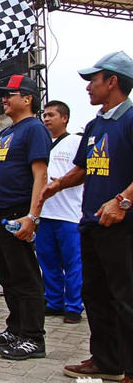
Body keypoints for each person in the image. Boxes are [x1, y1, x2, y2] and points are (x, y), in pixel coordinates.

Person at [41, 51, 133, 382]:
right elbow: (82, 169)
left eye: (93, 80)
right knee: (95, 295)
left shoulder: (131, 118)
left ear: (113, 81)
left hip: (122, 226)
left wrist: (122, 201)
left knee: (126, 297)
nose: (88, 87)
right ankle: (106, 360)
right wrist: (56, 185)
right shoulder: (95, 125)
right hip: (92, 223)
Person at [0, 74, 50, 360]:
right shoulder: (4, 133)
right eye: (3, 94)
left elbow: (41, 175)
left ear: (27, 99)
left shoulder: (34, 129)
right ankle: (15, 328)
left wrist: (32, 217)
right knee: (7, 277)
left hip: (16, 214)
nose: (4, 98)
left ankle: (33, 338)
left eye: (10, 94)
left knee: (25, 277)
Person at [36, 100, 84, 324]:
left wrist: (61, 183)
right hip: (45, 213)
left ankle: (74, 305)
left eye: (51, 115)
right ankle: (54, 301)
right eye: (44, 115)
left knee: (73, 263)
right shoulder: (41, 143)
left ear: (64, 118)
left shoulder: (76, 141)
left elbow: (82, 171)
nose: (46, 119)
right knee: (48, 261)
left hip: (69, 214)